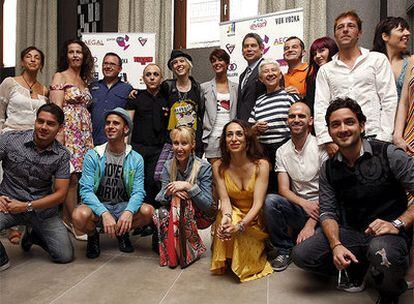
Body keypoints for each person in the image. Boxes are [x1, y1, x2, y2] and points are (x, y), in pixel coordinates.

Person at [292, 98, 414, 304]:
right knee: (302, 254)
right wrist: (336, 244)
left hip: (388, 233)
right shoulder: (328, 168)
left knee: (382, 253)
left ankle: (390, 292)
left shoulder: (388, 154)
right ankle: (358, 266)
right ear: (329, 131)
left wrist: (397, 223)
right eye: (335, 124)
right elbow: (328, 212)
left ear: (362, 125)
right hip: (351, 231)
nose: (343, 129)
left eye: (349, 122)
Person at [314, 11, 398, 158]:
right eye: (340, 27)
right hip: (341, 139)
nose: (345, 30)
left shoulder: (377, 60)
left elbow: (389, 99)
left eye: (351, 26)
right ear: (335, 35)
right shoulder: (326, 70)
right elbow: (320, 106)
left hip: (374, 135)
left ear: (359, 32)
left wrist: (384, 137)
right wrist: (327, 140)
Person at [0, 104, 73, 271]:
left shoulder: (62, 155)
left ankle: (34, 235)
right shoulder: (10, 140)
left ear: (60, 128)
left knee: (64, 255)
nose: (44, 127)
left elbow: (61, 194)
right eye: (40, 121)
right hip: (7, 205)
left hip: (42, 211)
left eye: (50, 124)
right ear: (35, 121)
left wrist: (26, 206)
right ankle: (1, 259)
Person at [73, 107, 153, 258]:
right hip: (99, 205)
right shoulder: (93, 155)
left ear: (126, 129)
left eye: (116, 123)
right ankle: (93, 235)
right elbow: (85, 191)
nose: (110, 126)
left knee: (147, 212)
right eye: (108, 123)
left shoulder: (136, 158)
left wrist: (129, 212)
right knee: (78, 216)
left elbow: (138, 191)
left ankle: (122, 233)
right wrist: (103, 213)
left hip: (122, 205)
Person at [264, 102, 327, 271]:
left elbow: (329, 192)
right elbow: (283, 189)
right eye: (292, 116)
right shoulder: (282, 151)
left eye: (301, 116)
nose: (296, 119)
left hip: (325, 210)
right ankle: (284, 249)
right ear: (287, 121)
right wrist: (304, 204)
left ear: (311, 120)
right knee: (270, 201)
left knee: (309, 252)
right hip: (300, 207)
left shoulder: (322, 147)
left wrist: (310, 225)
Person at [211, 119, 273, 282]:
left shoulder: (262, 165)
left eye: (239, 134)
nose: (234, 138)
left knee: (236, 221)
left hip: (255, 218)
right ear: (224, 140)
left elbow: (259, 203)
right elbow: (224, 200)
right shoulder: (218, 166)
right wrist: (227, 218)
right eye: (229, 135)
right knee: (223, 218)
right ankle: (230, 253)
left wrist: (239, 226)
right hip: (233, 212)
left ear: (247, 138)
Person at [0, 46, 49, 245]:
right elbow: (0, 111)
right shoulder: (9, 82)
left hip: (33, 139)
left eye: (37, 57)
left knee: (28, 180)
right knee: (8, 179)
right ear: (22, 61)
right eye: (28, 56)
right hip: (10, 135)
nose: (33, 60)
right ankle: (10, 225)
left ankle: (29, 227)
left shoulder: (43, 89)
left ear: (41, 64)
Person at [50, 39, 95, 240]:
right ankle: (72, 222)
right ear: (65, 56)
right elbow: (56, 109)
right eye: (71, 52)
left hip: (84, 133)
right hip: (68, 131)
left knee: (79, 176)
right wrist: (58, 135)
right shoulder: (60, 76)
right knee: (69, 177)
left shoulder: (84, 79)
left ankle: (71, 219)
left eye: (79, 52)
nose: (75, 55)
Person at [153, 126, 215, 268]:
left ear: (192, 145)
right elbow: (160, 197)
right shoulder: (168, 166)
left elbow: (207, 204)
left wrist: (188, 187)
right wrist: (170, 192)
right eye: (176, 143)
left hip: (200, 214)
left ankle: (185, 252)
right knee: (160, 212)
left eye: (184, 143)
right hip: (176, 212)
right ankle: (175, 252)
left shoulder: (203, 167)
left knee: (182, 201)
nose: (179, 148)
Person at [248, 59, 299, 192]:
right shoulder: (259, 101)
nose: (270, 74)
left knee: (288, 188)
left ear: (280, 74)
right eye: (266, 72)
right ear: (260, 78)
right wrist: (255, 128)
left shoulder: (289, 96)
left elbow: (301, 121)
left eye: (273, 70)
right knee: (268, 190)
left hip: (286, 149)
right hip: (264, 153)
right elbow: (250, 130)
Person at [126, 63, 168, 207]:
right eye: (148, 74)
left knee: (154, 182)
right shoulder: (135, 97)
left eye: (155, 74)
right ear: (143, 78)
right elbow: (127, 124)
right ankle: (139, 221)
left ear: (161, 78)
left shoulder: (167, 98)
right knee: (137, 183)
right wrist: (125, 148)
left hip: (159, 149)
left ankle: (152, 221)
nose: (152, 78)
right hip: (139, 148)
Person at [394, 59, 414, 289]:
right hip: (410, 135)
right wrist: (398, 135)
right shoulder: (411, 63)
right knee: (409, 199)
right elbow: (403, 102)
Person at [201, 48, 238, 163]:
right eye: (214, 60)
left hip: (232, 137)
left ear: (227, 63)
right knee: (215, 174)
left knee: (232, 172)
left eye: (220, 60)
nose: (217, 63)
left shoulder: (236, 87)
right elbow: (201, 111)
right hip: (212, 136)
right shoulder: (204, 87)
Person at [89, 52, 133, 146]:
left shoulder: (128, 89)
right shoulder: (92, 87)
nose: (108, 66)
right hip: (93, 141)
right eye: (105, 63)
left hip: (116, 143)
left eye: (112, 64)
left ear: (120, 69)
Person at [372, 17, 411, 98]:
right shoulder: (370, 62)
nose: (407, 33)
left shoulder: (410, 63)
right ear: (385, 36)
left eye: (407, 29)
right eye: (401, 30)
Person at [304, 37, 338, 113]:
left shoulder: (343, 71)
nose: (318, 56)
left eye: (322, 51)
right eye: (314, 54)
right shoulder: (312, 79)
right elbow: (311, 105)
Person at [236, 33, 266, 121]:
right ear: (242, 51)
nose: (249, 49)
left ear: (261, 49)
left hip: (260, 125)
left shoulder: (267, 69)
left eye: (253, 46)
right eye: (246, 46)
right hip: (244, 125)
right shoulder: (243, 75)